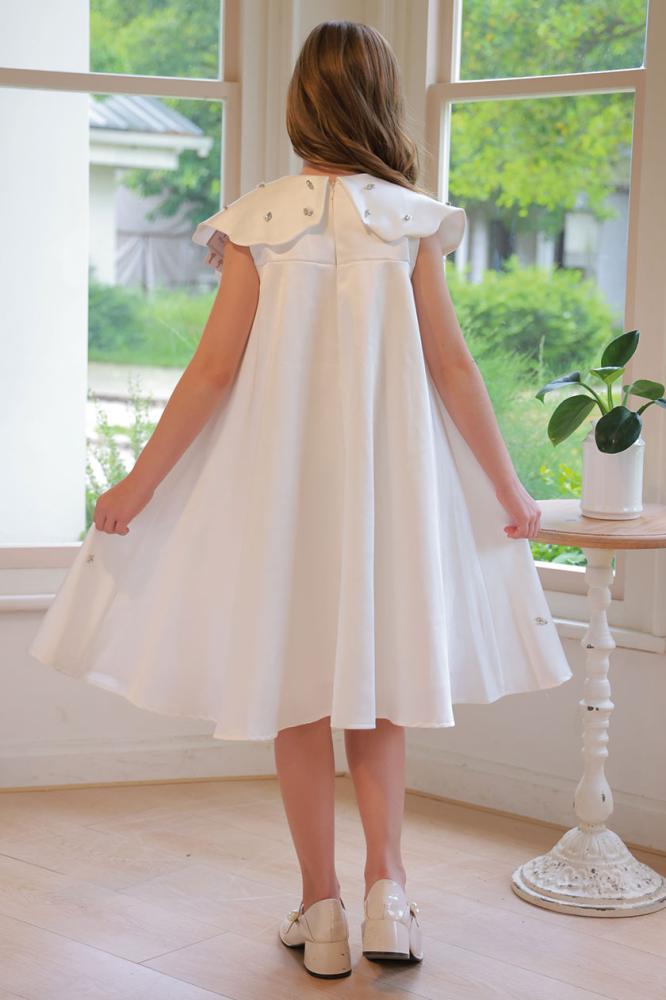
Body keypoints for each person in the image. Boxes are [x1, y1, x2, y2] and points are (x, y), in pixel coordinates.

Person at [28, 19, 573, 980]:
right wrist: (509, 488)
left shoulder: (257, 222)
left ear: (300, 104)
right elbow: (452, 367)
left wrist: (136, 486)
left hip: (281, 503)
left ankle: (321, 910)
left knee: (297, 696)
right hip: (386, 500)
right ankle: (388, 896)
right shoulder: (411, 223)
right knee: (381, 691)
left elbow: (211, 373)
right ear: (382, 103)